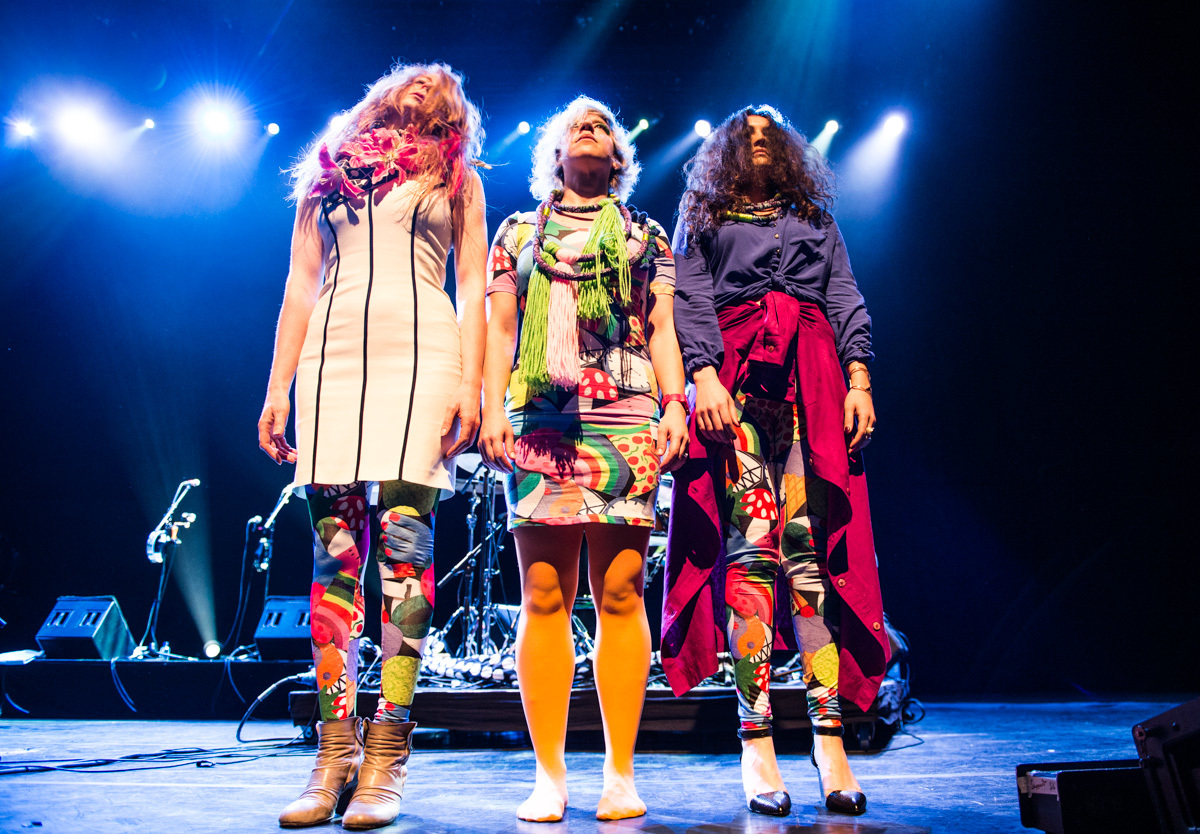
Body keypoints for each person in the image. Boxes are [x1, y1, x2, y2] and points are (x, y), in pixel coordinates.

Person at [257, 63, 487, 830]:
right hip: (331, 360)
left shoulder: (457, 178)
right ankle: (333, 753)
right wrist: (278, 387)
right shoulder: (326, 174)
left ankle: (387, 751)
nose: (424, 87)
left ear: (452, 114)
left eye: (439, 88)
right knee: (332, 561)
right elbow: (299, 283)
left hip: (423, 356)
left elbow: (472, 285)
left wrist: (472, 386)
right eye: (411, 80)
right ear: (379, 96)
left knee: (404, 554)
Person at [663, 105, 890, 817]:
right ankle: (755, 739)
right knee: (751, 555)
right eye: (747, 135)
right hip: (735, 387)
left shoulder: (815, 217)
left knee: (808, 561)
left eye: (771, 135)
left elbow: (844, 296)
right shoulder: (702, 213)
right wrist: (702, 375)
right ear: (729, 149)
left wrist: (859, 380)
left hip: (809, 386)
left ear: (789, 150)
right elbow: (689, 298)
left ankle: (829, 739)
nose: (759, 142)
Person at [478, 97, 688, 822]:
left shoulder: (645, 234)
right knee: (543, 593)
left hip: (625, 416)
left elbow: (662, 328)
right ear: (556, 154)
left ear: (618, 155)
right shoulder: (517, 233)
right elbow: (499, 329)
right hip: (541, 420)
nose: (590, 128)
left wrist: (675, 403)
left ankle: (620, 774)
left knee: (621, 592)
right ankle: (548, 774)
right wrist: (492, 409)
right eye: (576, 124)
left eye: (602, 124)